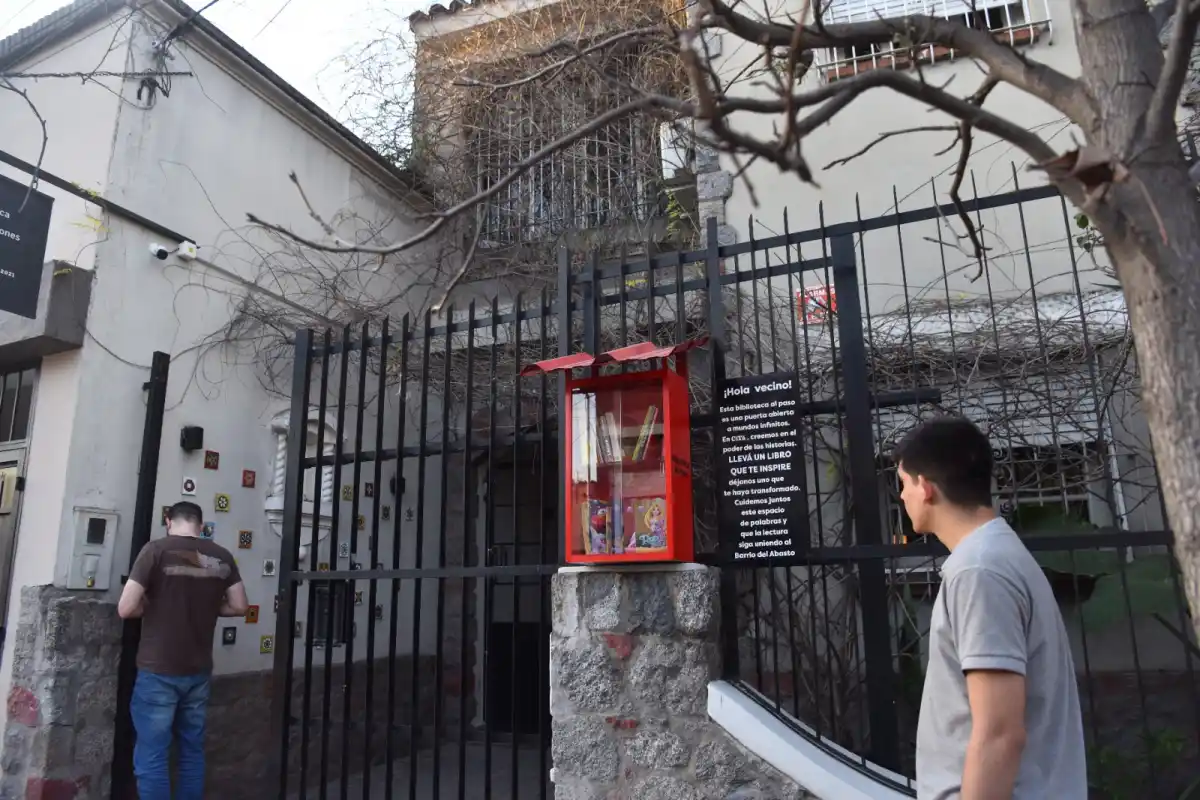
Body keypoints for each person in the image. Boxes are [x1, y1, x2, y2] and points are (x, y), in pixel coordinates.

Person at [894, 416, 1086, 800]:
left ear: (926, 487)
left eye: (903, 484)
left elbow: (1000, 733)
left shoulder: (980, 571)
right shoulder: (994, 556)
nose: (901, 497)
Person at [118, 500, 249, 800]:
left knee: (152, 756)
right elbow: (241, 606)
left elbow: (126, 608)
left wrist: (152, 605)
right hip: (198, 671)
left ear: (168, 520)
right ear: (200, 526)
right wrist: (208, 608)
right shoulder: (221, 556)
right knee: (192, 752)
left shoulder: (155, 551)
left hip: (158, 670)